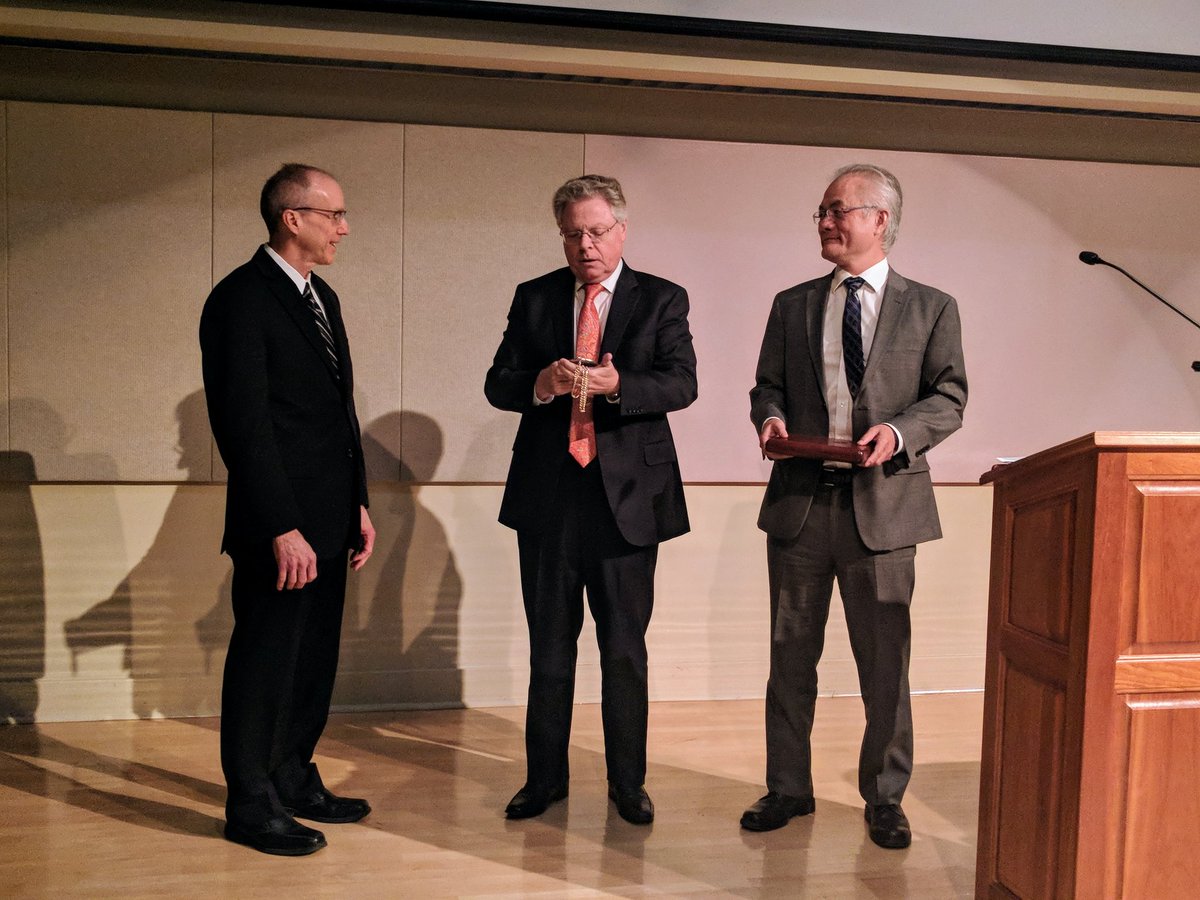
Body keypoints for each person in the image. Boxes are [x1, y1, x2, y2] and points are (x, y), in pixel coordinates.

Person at [744, 163, 967, 849]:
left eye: (838, 210)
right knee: (789, 658)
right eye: (821, 212)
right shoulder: (792, 303)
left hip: (885, 512)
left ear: (880, 220)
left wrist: (899, 433)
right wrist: (772, 420)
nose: (826, 222)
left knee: (884, 666)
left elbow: (949, 397)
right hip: (802, 507)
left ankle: (885, 797)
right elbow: (767, 387)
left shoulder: (931, 307)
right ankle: (788, 787)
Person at [485, 174, 697, 825]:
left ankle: (626, 783)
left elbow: (682, 384)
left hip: (628, 502)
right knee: (549, 649)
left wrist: (616, 384)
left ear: (621, 231)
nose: (585, 245)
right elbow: (499, 383)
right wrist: (542, 384)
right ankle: (544, 779)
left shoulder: (661, 298)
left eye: (597, 231)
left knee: (624, 651)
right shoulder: (535, 298)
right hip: (549, 500)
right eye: (573, 233)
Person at [200, 163, 375, 856]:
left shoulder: (320, 296)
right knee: (267, 660)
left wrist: (358, 500)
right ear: (292, 219)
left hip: (332, 518)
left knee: (312, 662)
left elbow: (338, 412)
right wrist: (280, 525)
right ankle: (249, 803)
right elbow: (243, 424)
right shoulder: (240, 300)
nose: (344, 226)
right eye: (333, 214)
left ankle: (293, 777)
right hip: (282, 527)